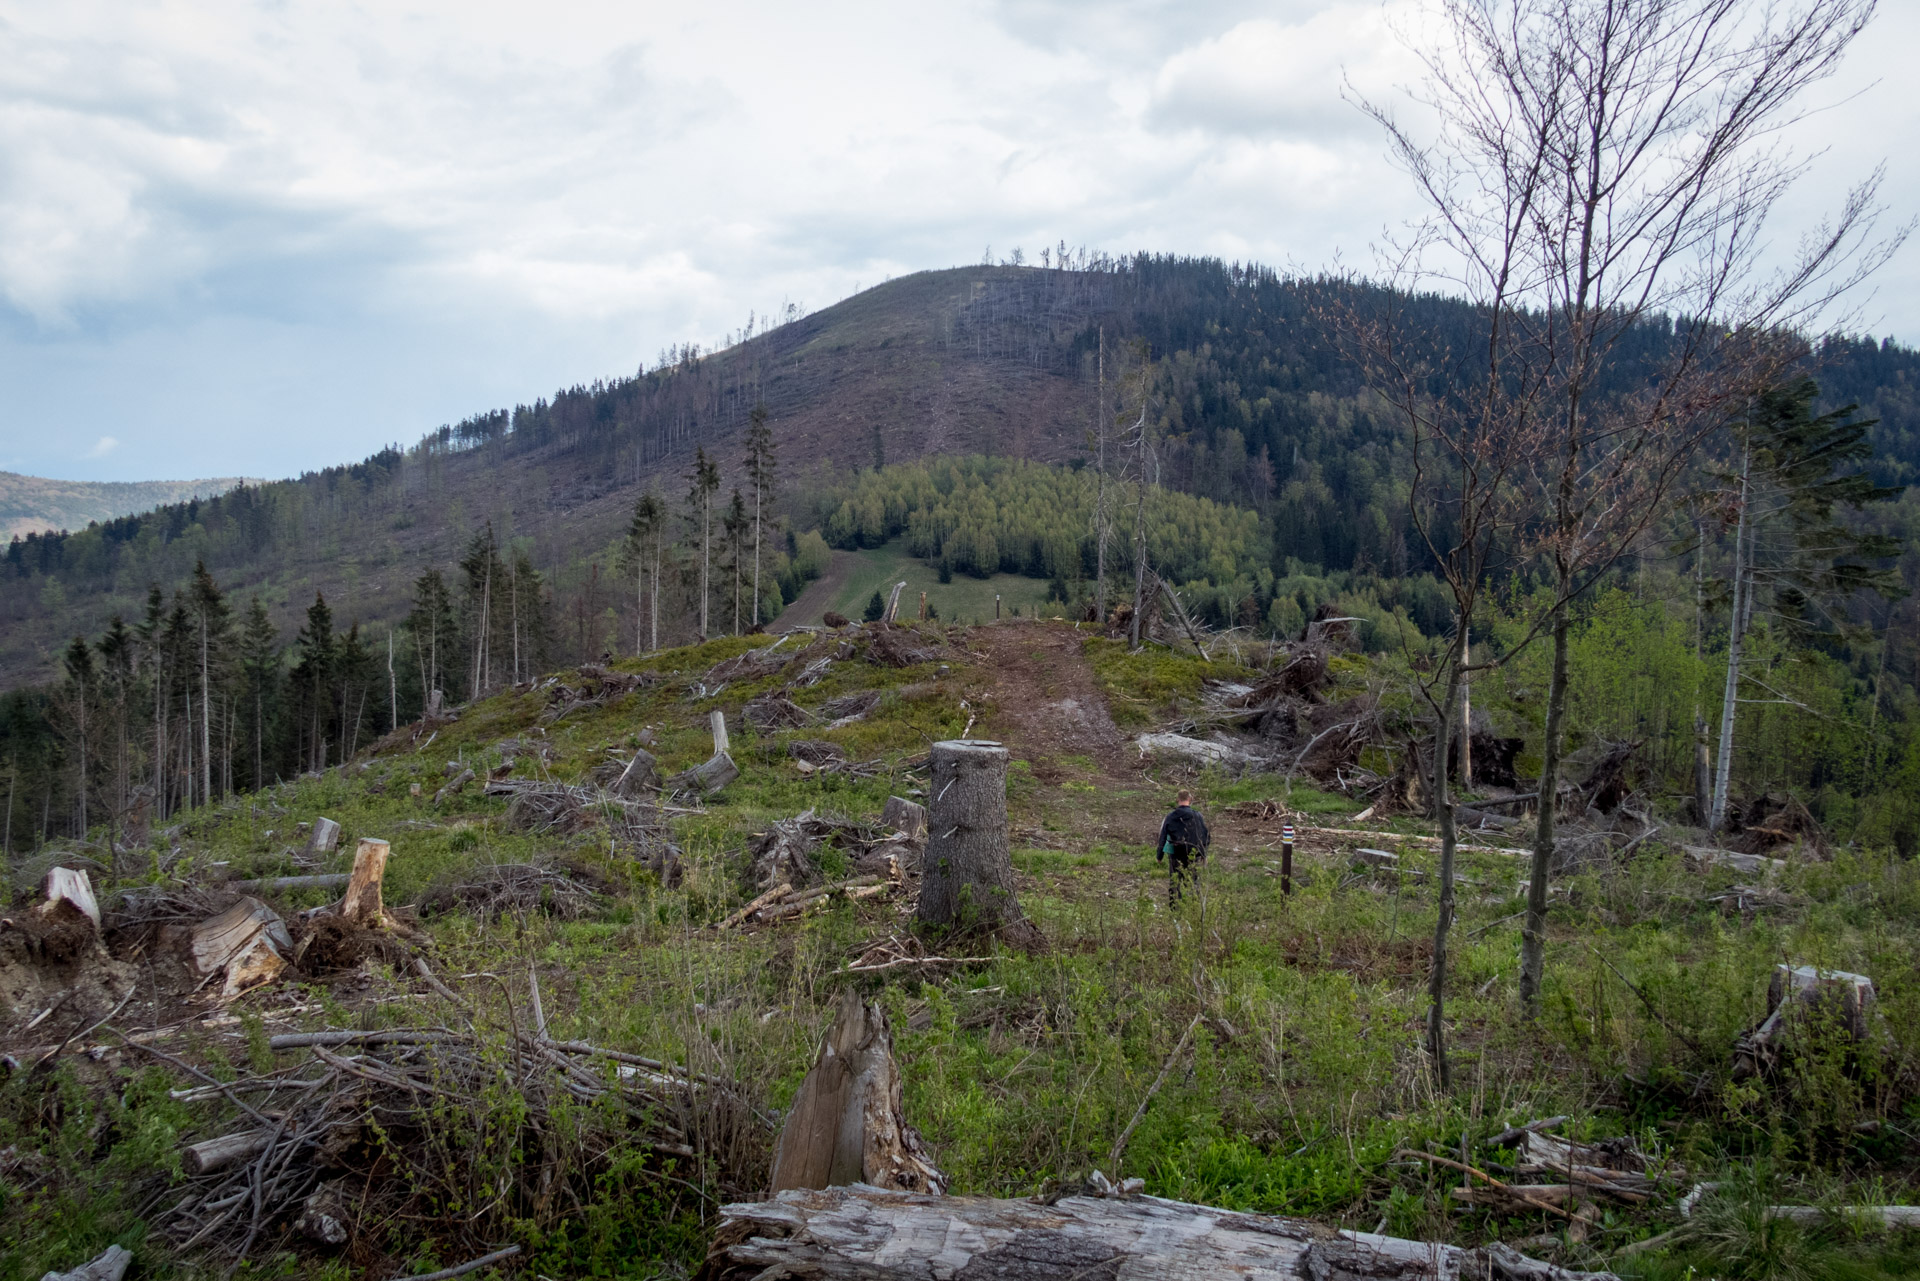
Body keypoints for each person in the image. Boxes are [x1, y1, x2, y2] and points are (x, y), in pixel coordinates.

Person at [1155, 789, 1210, 907]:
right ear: (1190, 799)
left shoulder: (1170, 816)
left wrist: (1159, 855)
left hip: (1176, 853)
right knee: (1193, 881)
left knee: (1175, 881)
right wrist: (1204, 854)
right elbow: (1205, 835)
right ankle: (1195, 906)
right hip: (1193, 853)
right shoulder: (1197, 816)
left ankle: (1174, 907)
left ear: (1177, 800)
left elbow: (1163, 836)